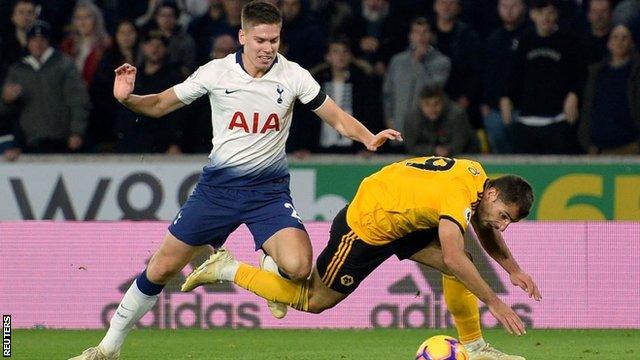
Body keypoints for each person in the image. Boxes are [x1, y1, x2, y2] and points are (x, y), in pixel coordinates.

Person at [69, 1, 400, 359]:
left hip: (268, 195)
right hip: (217, 192)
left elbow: (335, 117)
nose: (268, 48)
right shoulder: (216, 73)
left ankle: (263, 264)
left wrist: (367, 137)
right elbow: (162, 104)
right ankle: (108, 348)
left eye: (274, 40)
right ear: (242, 36)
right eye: (260, 40)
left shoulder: (294, 76)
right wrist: (128, 98)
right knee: (162, 266)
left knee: (301, 268)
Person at [182, 155, 541, 360]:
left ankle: (475, 348)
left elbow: (483, 226)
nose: (503, 226)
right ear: (492, 193)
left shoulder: (477, 178)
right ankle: (226, 267)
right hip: (367, 225)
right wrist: (495, 303)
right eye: (505, 216)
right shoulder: (458, 196)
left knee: (462, 262)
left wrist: (513, 269)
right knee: (314, 299)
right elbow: (452, 252)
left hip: (402, 215)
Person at [0, 20, 89, 154]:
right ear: (28, 42)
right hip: (28, 142)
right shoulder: (17, 70)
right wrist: (5, 100)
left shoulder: (64, 65)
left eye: (42, 39)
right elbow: (6, 110)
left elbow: (78, 101)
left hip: (62, 141)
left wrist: (77, 132)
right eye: (34, 40)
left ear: (48, 41)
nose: (38, 44)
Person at [579, 24, 640, 154]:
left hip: (631, 148)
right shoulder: (595, 73)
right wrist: (586, 142)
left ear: (632, 43)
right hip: (598, 150)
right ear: (609, 43)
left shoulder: (636, 73)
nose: (619, 42)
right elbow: (587, 107)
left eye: (624, 38)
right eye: (615, 37)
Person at [404, 86, 479, 157]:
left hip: (464, 156)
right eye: (427, 104)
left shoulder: (457, 114)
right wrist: (433, 150)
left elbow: (461, 141)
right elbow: (411, 146)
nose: (432, 109)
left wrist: (448, 150)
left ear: (443, 102)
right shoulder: (412, 119)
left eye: (436, 103)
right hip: (426, 158)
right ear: (421, 105)